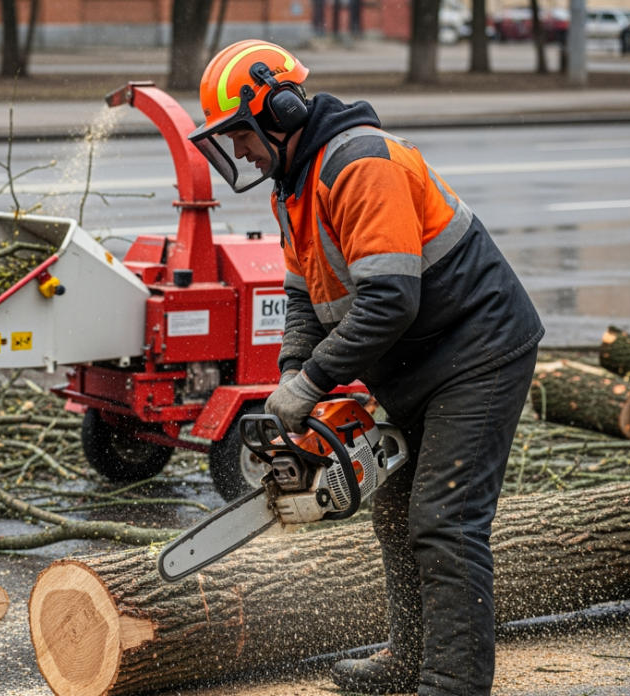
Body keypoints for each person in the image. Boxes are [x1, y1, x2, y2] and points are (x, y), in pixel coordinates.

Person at [189, 41, 544, 695]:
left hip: (478, 350)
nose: (237, 150)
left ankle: (453, 681)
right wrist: (293, 381)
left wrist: (314, 382)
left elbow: (389, 299)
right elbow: (303, 297)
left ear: (283, 109)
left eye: (240, 133)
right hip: (415, 363)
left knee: (445, 518)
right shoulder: (291, 189)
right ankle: (410, 657)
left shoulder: (359, 162)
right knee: (397, 514)